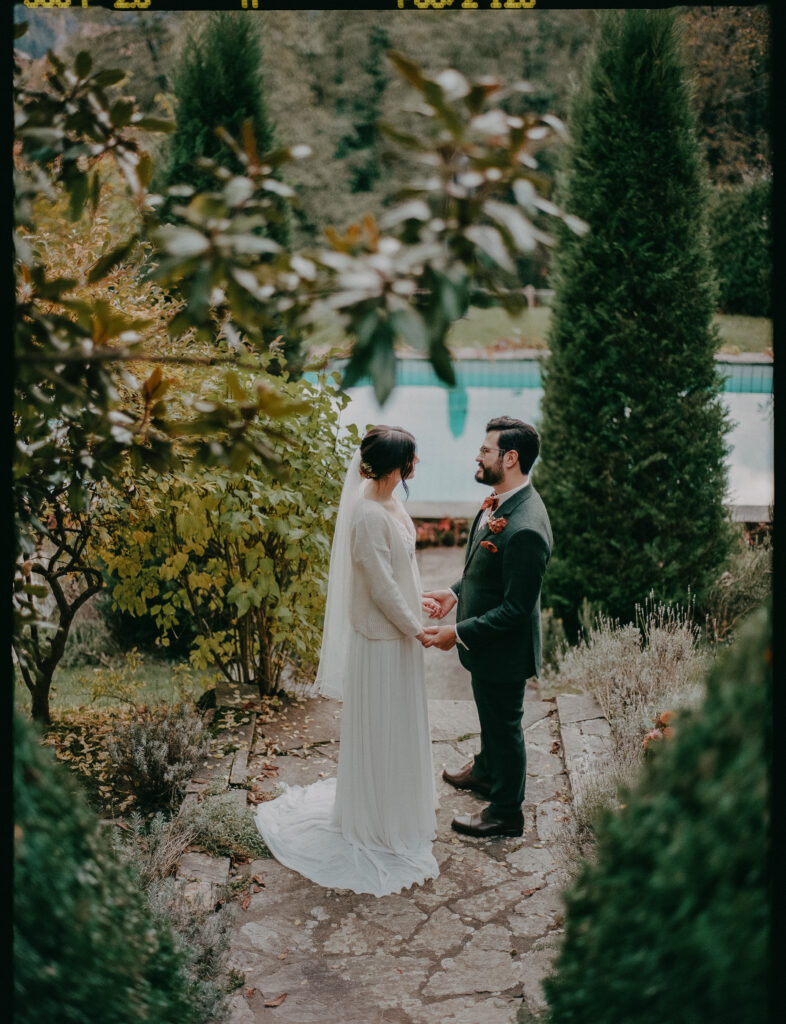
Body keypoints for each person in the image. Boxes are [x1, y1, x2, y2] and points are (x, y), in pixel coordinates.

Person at [254, 426, 439, 896]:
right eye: (412, 457)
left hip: (399, 632)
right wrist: (416, 628)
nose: (417, 464)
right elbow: (380, 587)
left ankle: (398, 808)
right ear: (397, 465)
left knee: (399, 724)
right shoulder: (367, 515)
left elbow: (401, 571)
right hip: (382, 642)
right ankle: (377, 819)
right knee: (383, 726)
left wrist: (422, 601)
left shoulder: (391, 502)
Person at [422, 416, 552, 839]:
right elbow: (485, 571)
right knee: (490, 717)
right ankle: (485, 770)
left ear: (510, 458)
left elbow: (515, 609)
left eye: (484, 450)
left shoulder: (526, 527)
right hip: (487, 648)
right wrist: (454, 592)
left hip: (504, 652)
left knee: (505, 726)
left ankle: (506, 812)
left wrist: (457, 633)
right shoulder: (499, 502)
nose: (477, 456)